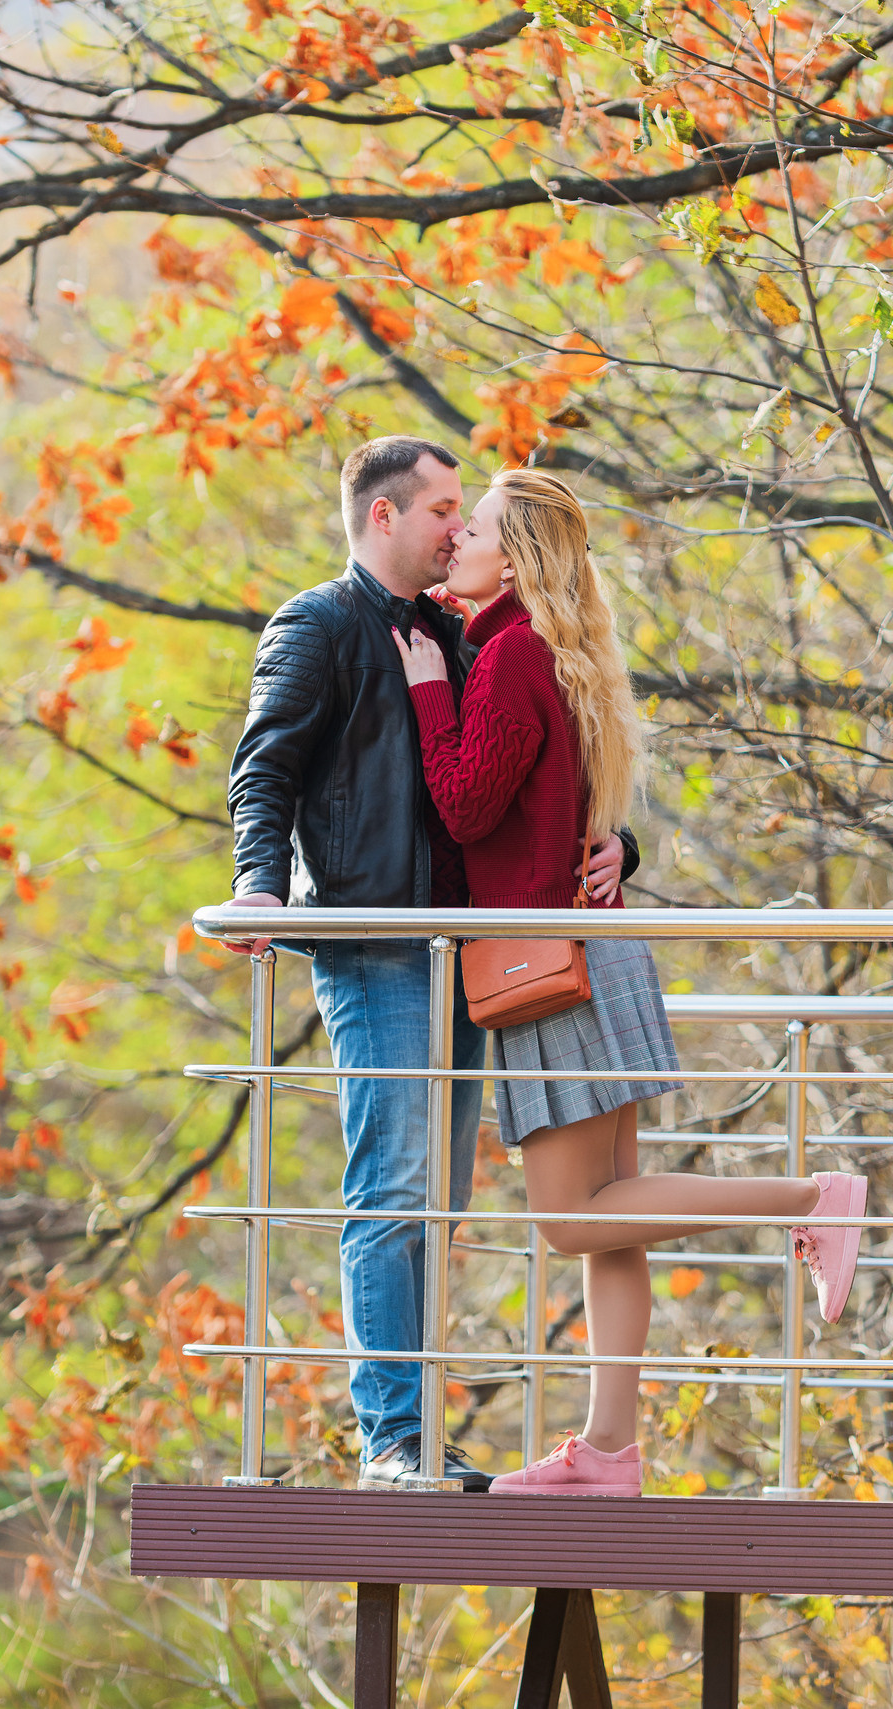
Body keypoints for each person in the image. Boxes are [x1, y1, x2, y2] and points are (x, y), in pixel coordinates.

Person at [393, 467, 870, 1499]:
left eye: (467, 530)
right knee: (614, 1220)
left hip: (549, 967)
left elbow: (469, 806)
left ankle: (811, 1193)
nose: (451, 544)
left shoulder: (510, 655)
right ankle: (608, 1451)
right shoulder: (548, 646)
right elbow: (567, 805)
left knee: (573, 1219)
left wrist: (431, 690)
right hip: (593, 948)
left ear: (511, 558)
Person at [222, 436, 637, 1490]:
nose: (459, 526)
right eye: (443, 507)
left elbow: (539, 766)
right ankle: (391, 1443)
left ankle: (417, 1435)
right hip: (375, 946)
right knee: (396, 1187)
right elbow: (262, 769)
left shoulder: (463, 632)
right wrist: (261, 886)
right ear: (383, 518)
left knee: (440, 1195)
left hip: (467, 955)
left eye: (467, 511)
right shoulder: (316, 626)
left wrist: (624, 845)